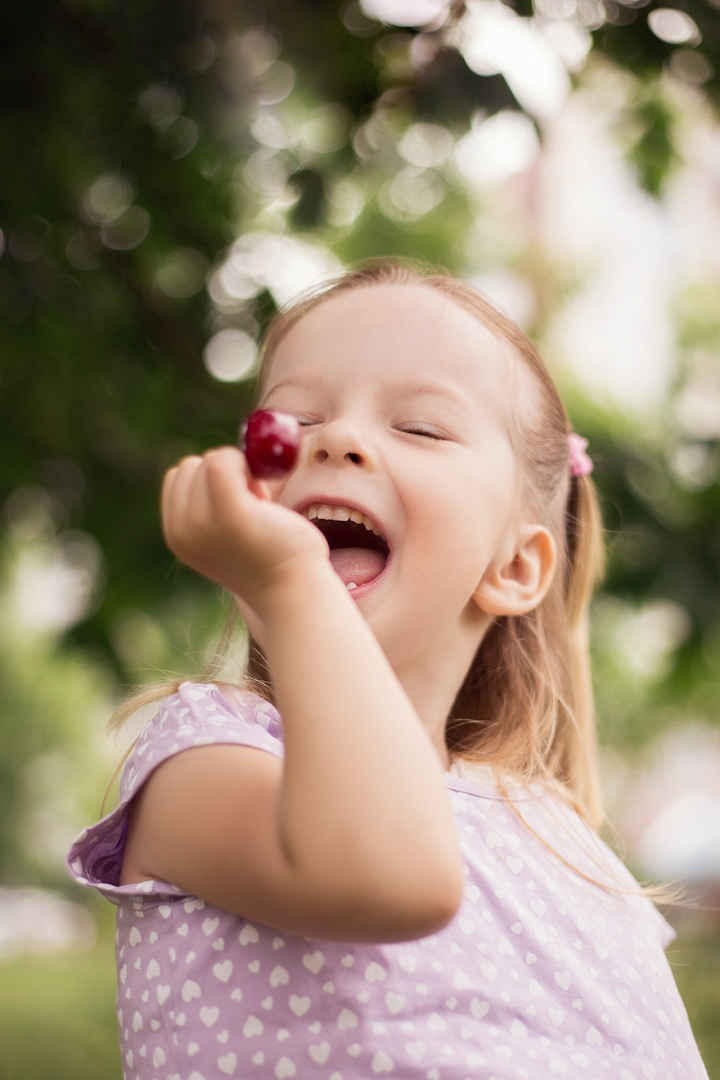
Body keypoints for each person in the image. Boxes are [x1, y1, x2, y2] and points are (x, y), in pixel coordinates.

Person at [68, 261, 708, 1080]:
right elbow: (394, 877)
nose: (333, 441)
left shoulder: (558, 839)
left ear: (514, 566)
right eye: (294, 420)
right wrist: (295, 582)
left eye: (422, 429)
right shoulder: (206, 761)